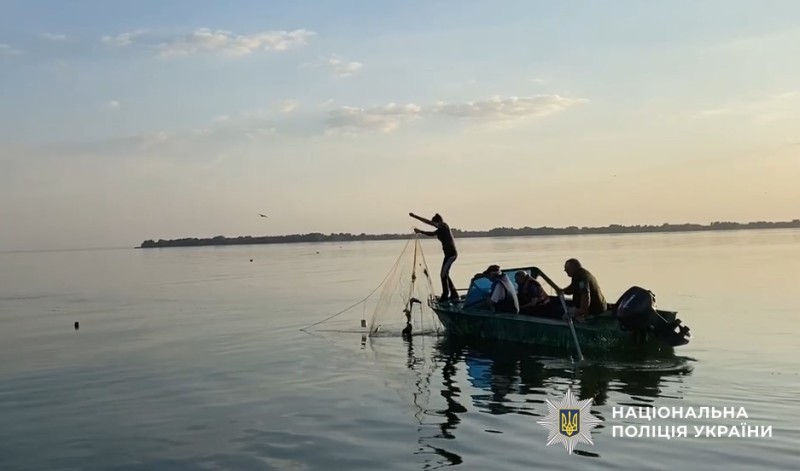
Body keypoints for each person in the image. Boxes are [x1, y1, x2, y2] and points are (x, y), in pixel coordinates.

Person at [410, 212, 458, 302]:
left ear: (438, 221)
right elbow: (431, 234)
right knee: (445, 274)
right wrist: (420, 231)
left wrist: (415, 216)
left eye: (435, 224)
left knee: (443, 274)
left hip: (451, 254)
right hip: (448, 255)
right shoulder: (440, 230)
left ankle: (445, 295)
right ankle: (454, 294)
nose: (435, 226)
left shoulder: (444, 226)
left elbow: (429, 222)